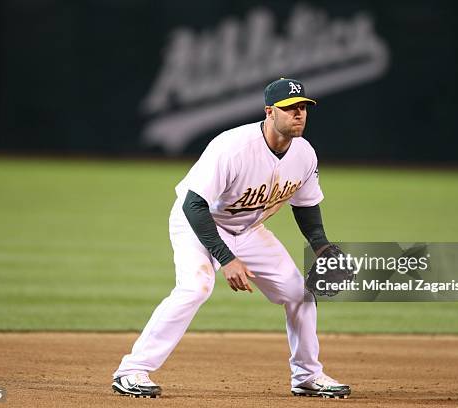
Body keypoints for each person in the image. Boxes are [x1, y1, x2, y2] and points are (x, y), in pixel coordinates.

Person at [111, 78, 351, 399]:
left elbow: (306, 207)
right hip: (198, 222)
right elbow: (193, 204)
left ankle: (307, 376)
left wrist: (322, 246)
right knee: (196, 288)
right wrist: (226, 258)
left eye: (303, 107)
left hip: (248, 229)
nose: (298, 114)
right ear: (269, 112)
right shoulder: (233, 147)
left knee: (299, 293)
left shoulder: (304, 154)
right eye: (289, 108)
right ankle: (131, 370)